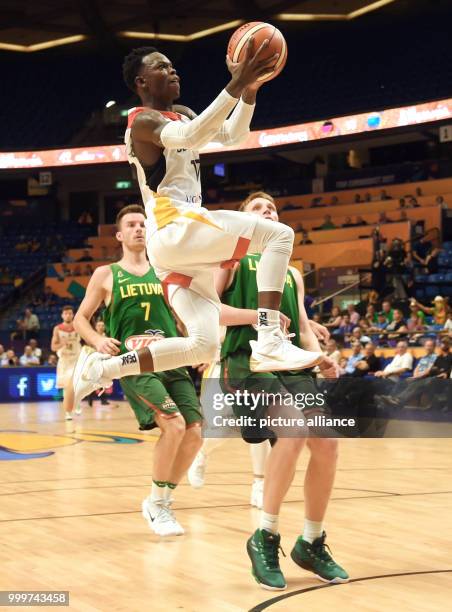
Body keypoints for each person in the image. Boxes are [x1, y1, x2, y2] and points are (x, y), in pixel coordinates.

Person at [73, 44, 322, 405]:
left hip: (176, 249)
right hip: (175, 225)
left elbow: (233, 136)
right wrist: (235, 83)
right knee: (279, 236)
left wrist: (249, 92)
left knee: (203, 345)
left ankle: (102, 370)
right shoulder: (140, 121)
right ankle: (269, 339)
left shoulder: (185, 113)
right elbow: (188, 138)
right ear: (142, 81)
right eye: (162, 67)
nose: (173, 71)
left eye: (173, 66)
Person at [211, 192, 347, 589]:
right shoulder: (230, 261)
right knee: (292, 431)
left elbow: (303, 326)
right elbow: (207, 311)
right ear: (243, 222)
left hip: (289, 364)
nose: (267, 211)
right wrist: (259, 315)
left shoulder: (291, 272)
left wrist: (319, 357)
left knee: (326, 442)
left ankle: (312, 542)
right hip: (244, 362)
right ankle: (264, 536)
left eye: (271, 208)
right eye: (257, 209)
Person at [74, 205, 203, 537]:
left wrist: (201, 343)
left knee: (195, 432)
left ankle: (159, 500)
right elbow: (80, 319)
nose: (138, 229)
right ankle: (159, 508)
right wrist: (98, 340)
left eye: (143, 224)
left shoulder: (164, 270)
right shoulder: (106, 274)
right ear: (119, 235)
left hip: (172, 356)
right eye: (131, 225)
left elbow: (183, 312)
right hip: (134, 362)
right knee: (173, 425)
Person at [51, 306, 82, 421]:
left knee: (77, 384)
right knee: (65, 387)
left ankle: (77, 403)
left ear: (73, 314)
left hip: (76, 359)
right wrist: (62, 344)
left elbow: (87, 339)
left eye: (70, 313)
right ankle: (68, 412)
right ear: (62, 315)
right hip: (64, 360)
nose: (68, 315)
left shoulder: (78, 326)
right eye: (66, 313)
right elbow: (53, 347)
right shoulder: (57, 328)